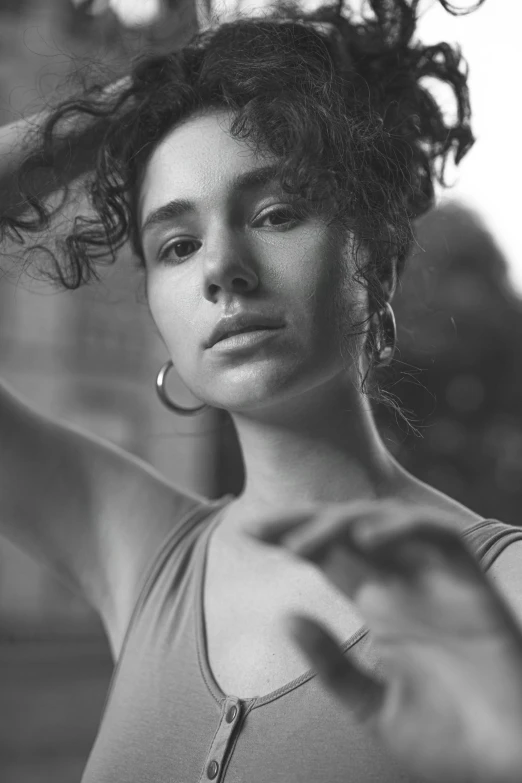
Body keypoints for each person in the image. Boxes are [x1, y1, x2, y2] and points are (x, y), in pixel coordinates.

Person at [1, 0, 522, 780]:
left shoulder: (501, 594)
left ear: (372, 261)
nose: (220, 268)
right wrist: (138, 99)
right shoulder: (140, 554)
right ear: (157, 310)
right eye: (177, 244)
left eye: (276, 212)